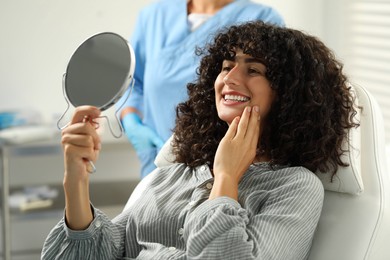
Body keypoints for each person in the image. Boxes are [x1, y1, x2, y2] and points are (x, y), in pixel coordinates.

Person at [42, 21, 359, 259]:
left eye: (254, 70)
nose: (230, 78)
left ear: (291, 94)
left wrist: (226, 177)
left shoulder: (294, 188)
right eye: (226, 66)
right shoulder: (176, 172)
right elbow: (105, 250)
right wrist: (76, 182)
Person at [118, 0, 285, 178]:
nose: (229, 78)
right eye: (227, 67)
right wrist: (131, 121)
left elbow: (277, 87)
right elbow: (131, 81)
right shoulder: (153, 17)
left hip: (220, 162)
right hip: (158, 158)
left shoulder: (262, 17)